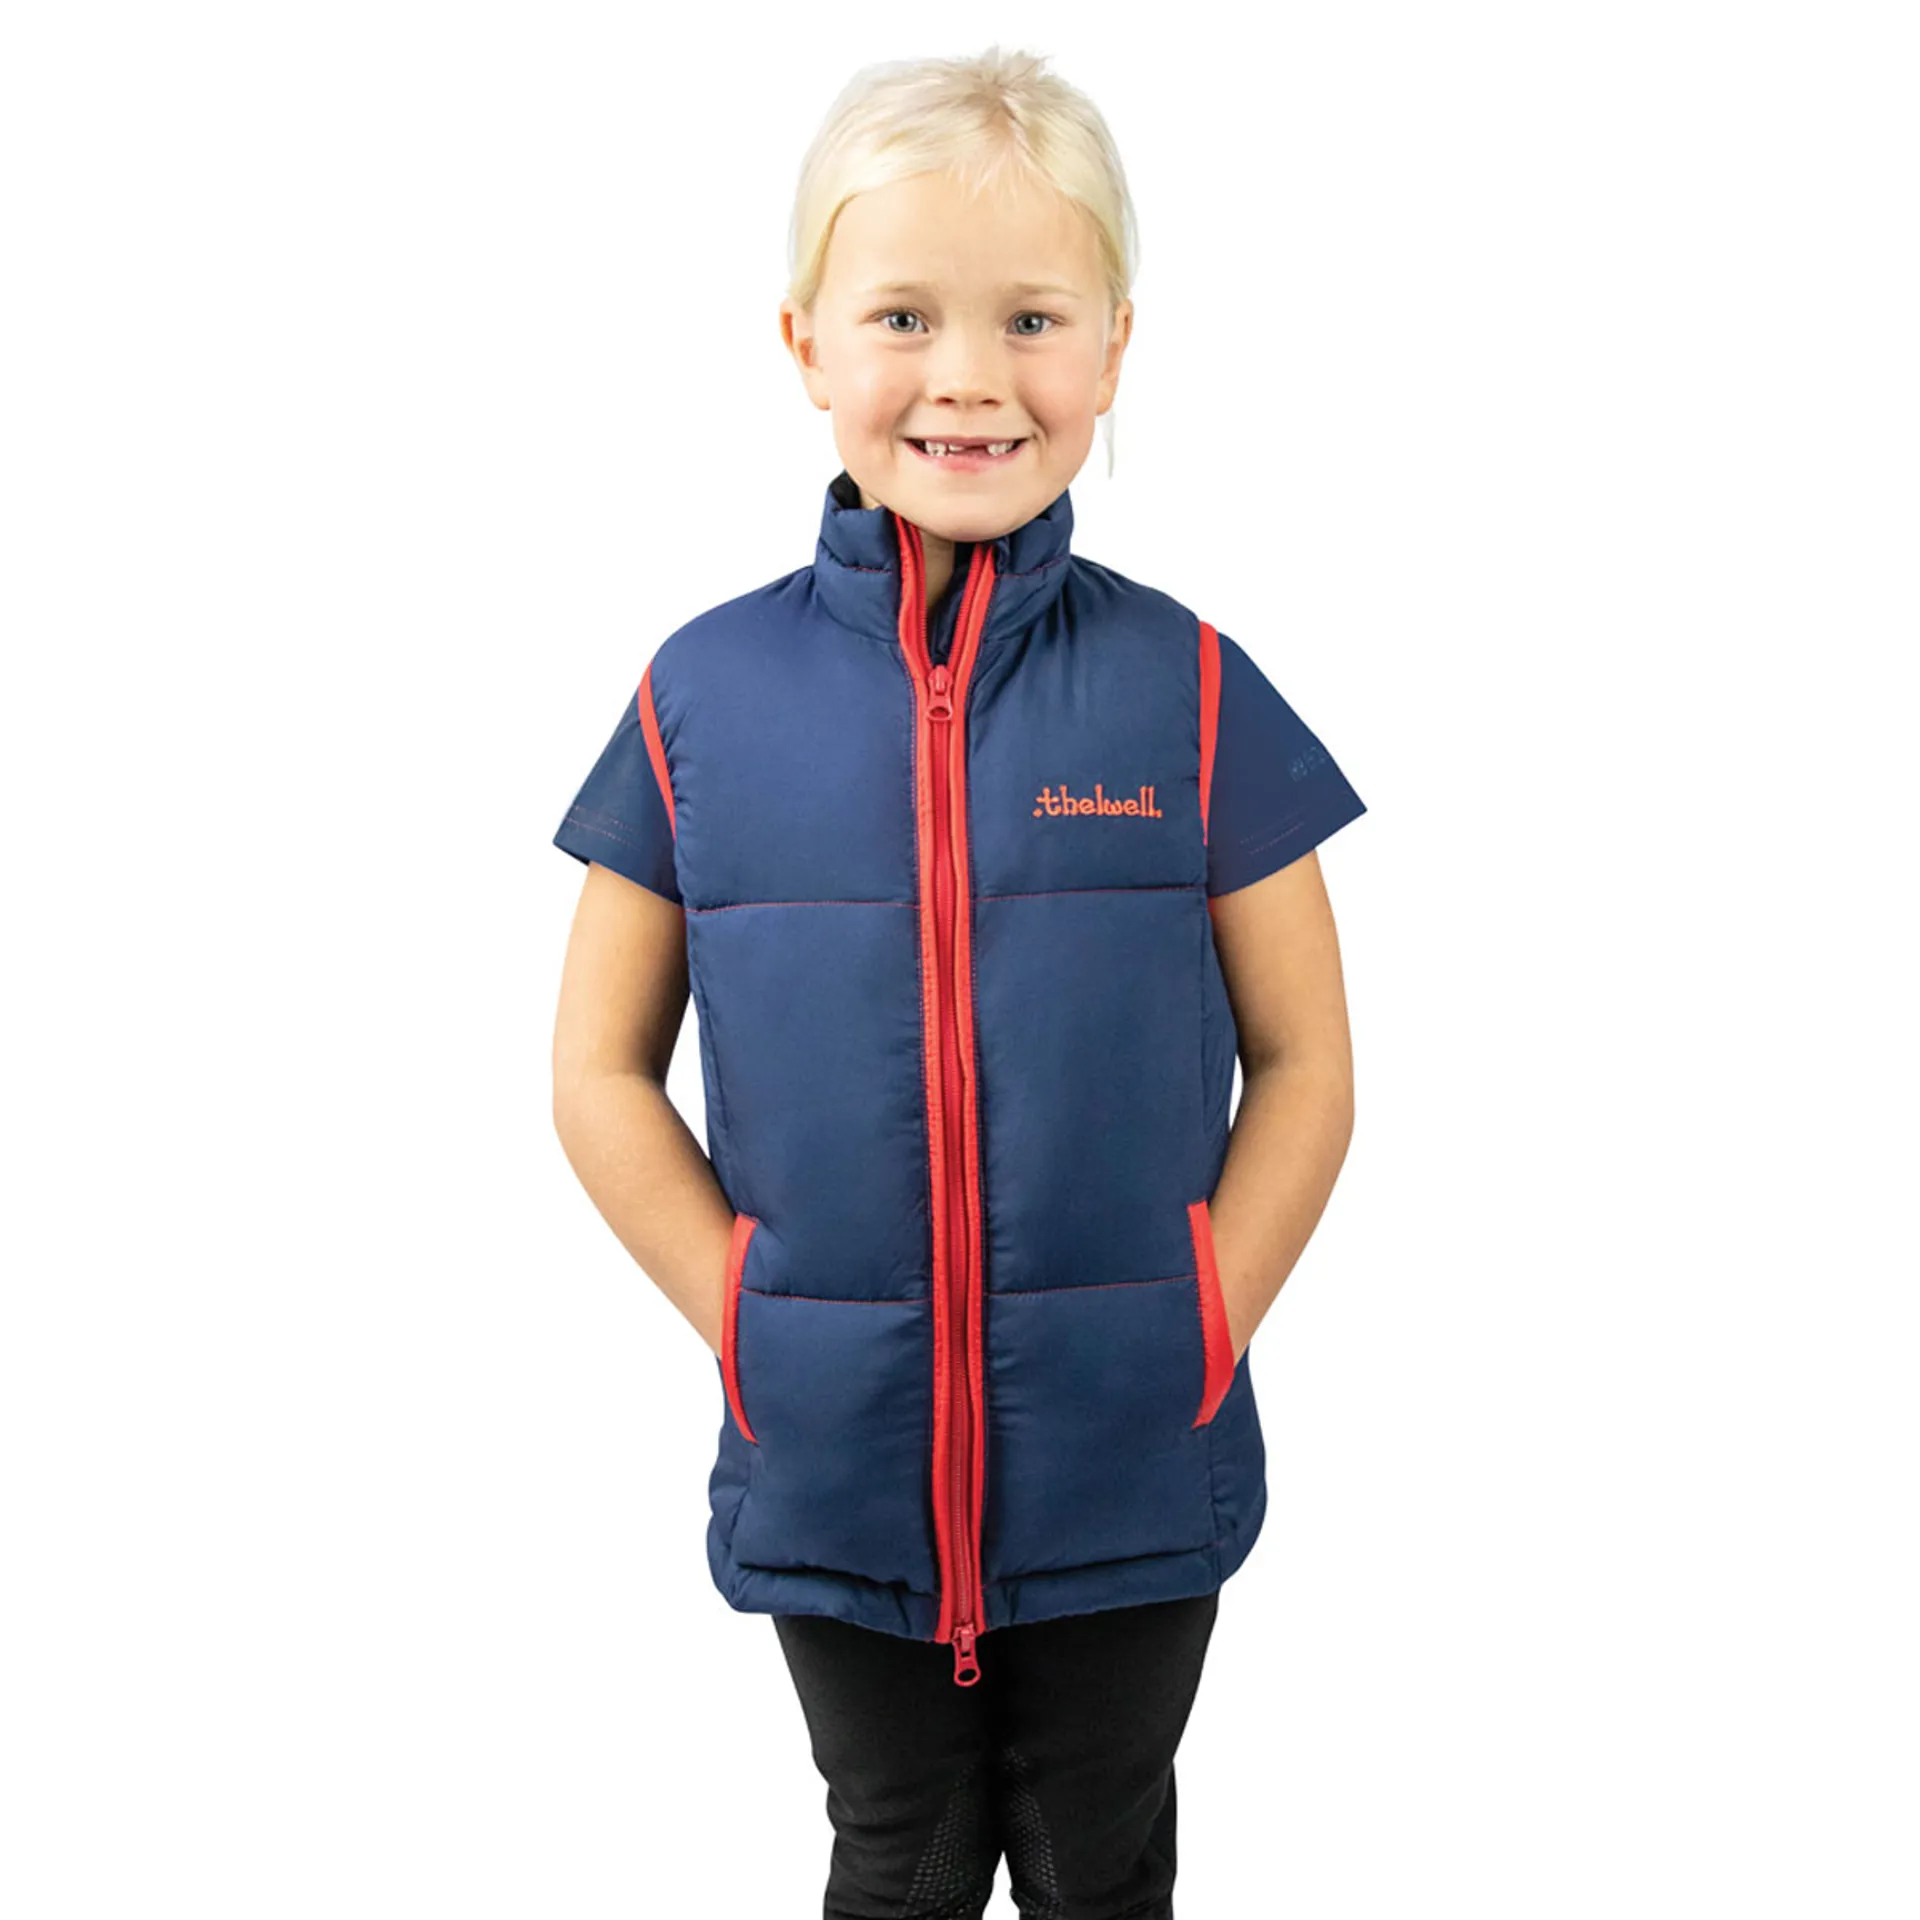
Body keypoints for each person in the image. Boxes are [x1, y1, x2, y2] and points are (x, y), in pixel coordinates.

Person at [550, 45, 1367, 1920]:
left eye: (1034, 318)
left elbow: (1308, 1054)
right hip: (837, 1453)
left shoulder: (1194, 688)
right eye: (905, 314)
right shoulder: (699, 699)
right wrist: (743, 1320)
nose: (972, 375)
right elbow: (596, 1066)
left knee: (1098, 1857)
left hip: (1132, 1451)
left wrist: (1207, 1317)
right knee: (899, 1853)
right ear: (805, 342)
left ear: (1115, 346)